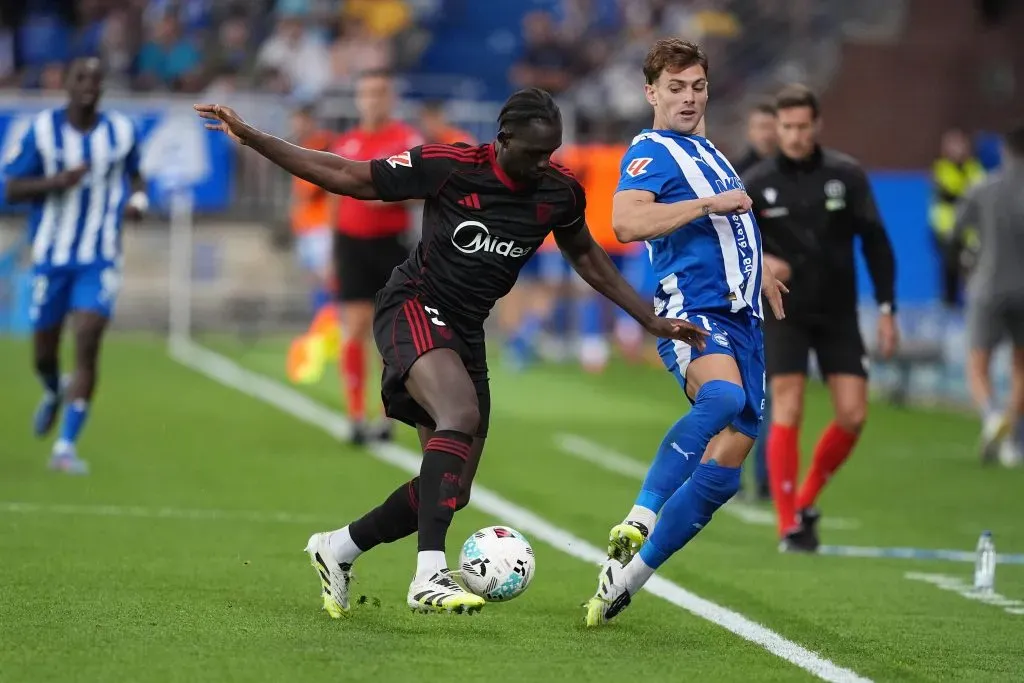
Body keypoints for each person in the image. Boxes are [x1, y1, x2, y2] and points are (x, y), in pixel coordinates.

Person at [196, 87, 708, 616]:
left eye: (551, 152)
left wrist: (648, 318)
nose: (544, 162)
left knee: (452, 489)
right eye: (533, 152)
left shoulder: (559, 192)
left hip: (465, 330)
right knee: (458, 414)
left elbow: (587, 257)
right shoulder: (452, 166)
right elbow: (347, 176)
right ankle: (428, 574)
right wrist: (252, 137)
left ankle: (338, 547)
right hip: (413, 305)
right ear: (502, 140)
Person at [584, 39, 788, 627]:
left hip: (743, 319)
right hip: (693, 311)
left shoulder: (708, 150)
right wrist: (703, 207)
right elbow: (624, 221)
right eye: (675, 88)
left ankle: (627, 577)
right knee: (721, 398)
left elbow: (734, 223)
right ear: (652, 93)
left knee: (727, 467)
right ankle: (641, 514)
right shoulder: (651, 151)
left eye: (697, 86)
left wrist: (763, 271)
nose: (689, 97)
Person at [743, 84, 899, 552]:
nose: (793, 135)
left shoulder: (846, 176)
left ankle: (807, 498)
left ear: (817, 126)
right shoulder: (756, 182)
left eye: (801, 126)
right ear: (778, 127)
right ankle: (788, 523)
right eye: (785, 126)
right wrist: (765, 263)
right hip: (784, 311)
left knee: (853, 414)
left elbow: (876, 243)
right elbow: (737, 248)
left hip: (837, 313)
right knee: (788, 403)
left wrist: (887, 309)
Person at [4, 57, 146, 474]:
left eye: (96, 79)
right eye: (80, 77)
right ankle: (52, 389)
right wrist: (57, 182)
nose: (89, 85)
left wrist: (138, 200)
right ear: (65, 82)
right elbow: (11, 186)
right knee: (44, 353)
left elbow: (137, 175)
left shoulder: (121, 132)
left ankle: (64, 448)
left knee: (87, 337)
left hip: (99, 257)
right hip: (51, 256)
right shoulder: (43, 131)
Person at [329, 70, 422, 444]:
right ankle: (354, 415)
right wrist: (330, 250)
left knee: (390, 331)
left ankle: (388, 416)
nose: (371, 100)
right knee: (353, 326)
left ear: (390, 99)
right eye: (365, 93)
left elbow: (423, 189)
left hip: (390, 243)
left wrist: (385, 196)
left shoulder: (406, 140)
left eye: (379, 93)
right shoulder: (346, 142)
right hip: (351, 243)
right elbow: (335, 195)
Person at [954, 123, 1024, 466]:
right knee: (1020, 364)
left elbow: (955, 231)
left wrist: (966, 264)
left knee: (978, 362)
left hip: (988, 285)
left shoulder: (983, 187)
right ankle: (1012, 438)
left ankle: (992, 415)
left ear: (1005, 150)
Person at [930, 128, 985, 310]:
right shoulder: (941, 169)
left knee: (973, 271)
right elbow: (949, 194)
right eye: (953, 145)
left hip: (971, 233)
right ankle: (949, 305)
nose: (958, 149)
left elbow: (981, 192)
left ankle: (973, 308)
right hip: (947, 230)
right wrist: (967, 192)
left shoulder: (975, 168)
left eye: (960, 144)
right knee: (949, 270)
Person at [288, 103, 334, 316]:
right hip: (306, 225)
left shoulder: (323, 145)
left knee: (326, 277)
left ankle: (329, 325)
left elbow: (313, 190)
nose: (297, 125)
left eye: (301, 120)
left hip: (322, 224)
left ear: (310, 121)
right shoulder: (302, 147)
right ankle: (320, 325)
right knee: (313, 278)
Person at [733, 99, 777, 175]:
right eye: (761, 127)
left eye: (771, 127)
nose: (766, 135)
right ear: (749, 131)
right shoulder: (735, 172)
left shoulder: (794, 168)